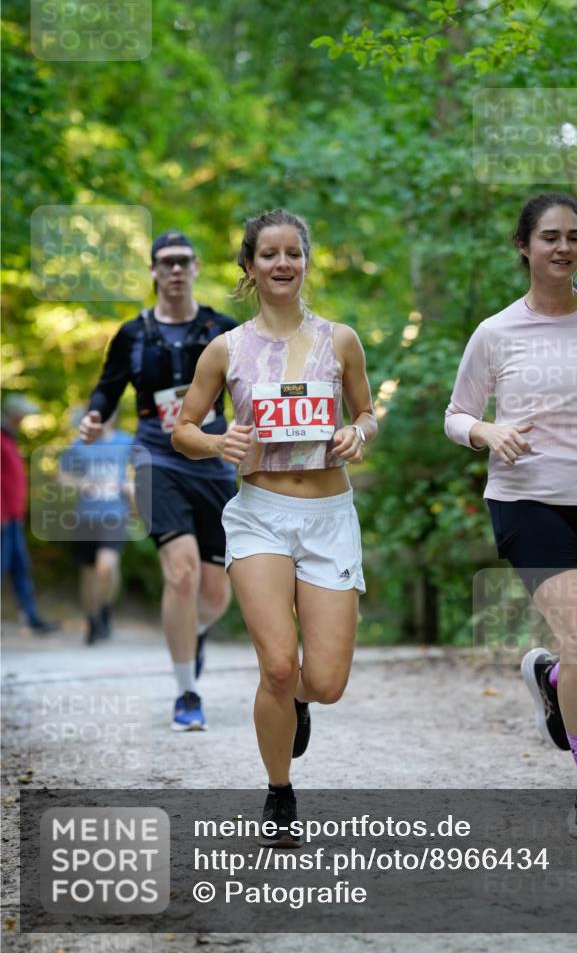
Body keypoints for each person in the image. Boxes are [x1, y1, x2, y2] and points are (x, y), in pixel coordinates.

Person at [445, 193, 577, 841]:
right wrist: (488, 432)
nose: (563, 247)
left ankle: (549, 676)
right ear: (523, 246)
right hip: (525, 499)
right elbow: (457, 415)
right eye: (549, 237)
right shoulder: (496, 332)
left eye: (572, 236)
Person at [172, 209, 376, 844]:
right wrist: (217, 444)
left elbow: (368, 413)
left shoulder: (340, 340)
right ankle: (279, 791)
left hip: (328, 515)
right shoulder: (224, 348)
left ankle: (301, 706)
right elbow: (182, 429)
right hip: (260, 515)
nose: (282, 263)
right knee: (279, 665)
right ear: (249, 266)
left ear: (306, 262)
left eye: (293, 253)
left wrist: (356, 433)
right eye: (269, 254)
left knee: (326, 682)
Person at [79, 231, 238, 729]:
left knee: (215, 595)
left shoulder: (223, 328)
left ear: (195, 267)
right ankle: (186, 692)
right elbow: (106, 391)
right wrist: (93, 417)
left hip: (215, 460)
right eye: (165, 262)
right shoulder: (132, 334)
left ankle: (190, 636)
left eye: (183, 261)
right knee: (182, 571)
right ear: (152, 271)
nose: (174, 270)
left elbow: (253, 389)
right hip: (155, 458)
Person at [60, 411, 134, 644]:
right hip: (86, 516)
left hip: (115, 514)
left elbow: (142, 470)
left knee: (107, 565)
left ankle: (105, 608)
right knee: (89, 572)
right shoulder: (79, 444)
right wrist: (81, 483)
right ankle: (92, 619)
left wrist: (132, 488)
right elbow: (63, 476)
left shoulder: (126, 441)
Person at [1, 395, 59, 634]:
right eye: (23, 415)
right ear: (15, 414)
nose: (25, 419)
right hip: (3, 517)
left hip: (14, 518)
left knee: (20, 568)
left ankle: (32, 618)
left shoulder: (10, 439)